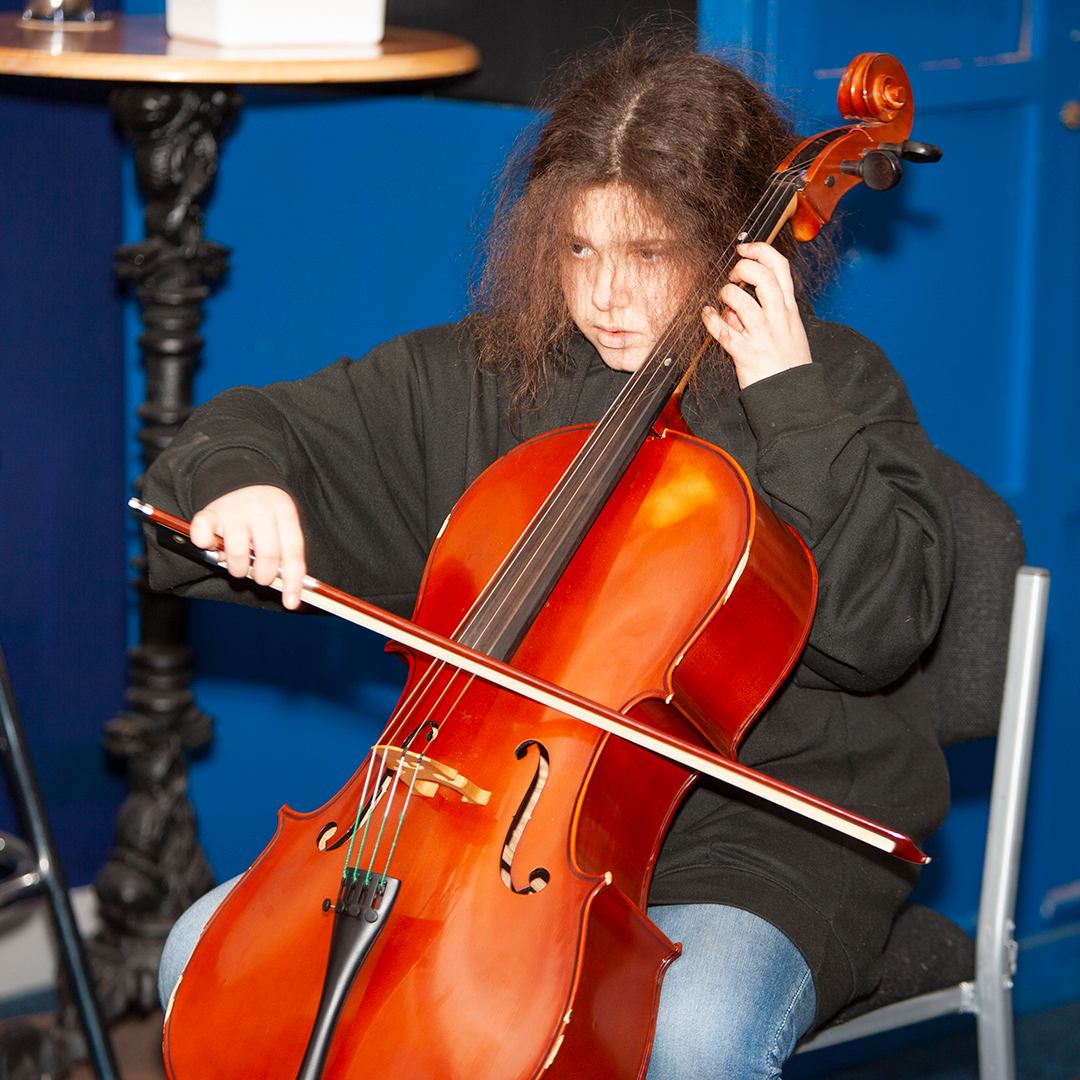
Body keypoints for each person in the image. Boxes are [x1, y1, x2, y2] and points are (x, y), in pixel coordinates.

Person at [144, 33, 953, 1079]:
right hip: (485, 829)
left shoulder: (830, 387)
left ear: (734, 243)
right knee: (210, 952)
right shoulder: (497, 378)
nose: (606, 297)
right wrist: (241, 482)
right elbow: (255, 428)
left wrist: (788, 401)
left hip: (750, 841)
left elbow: (886, 625)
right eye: (578, 250)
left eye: (649, 254)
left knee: (693, 1031)